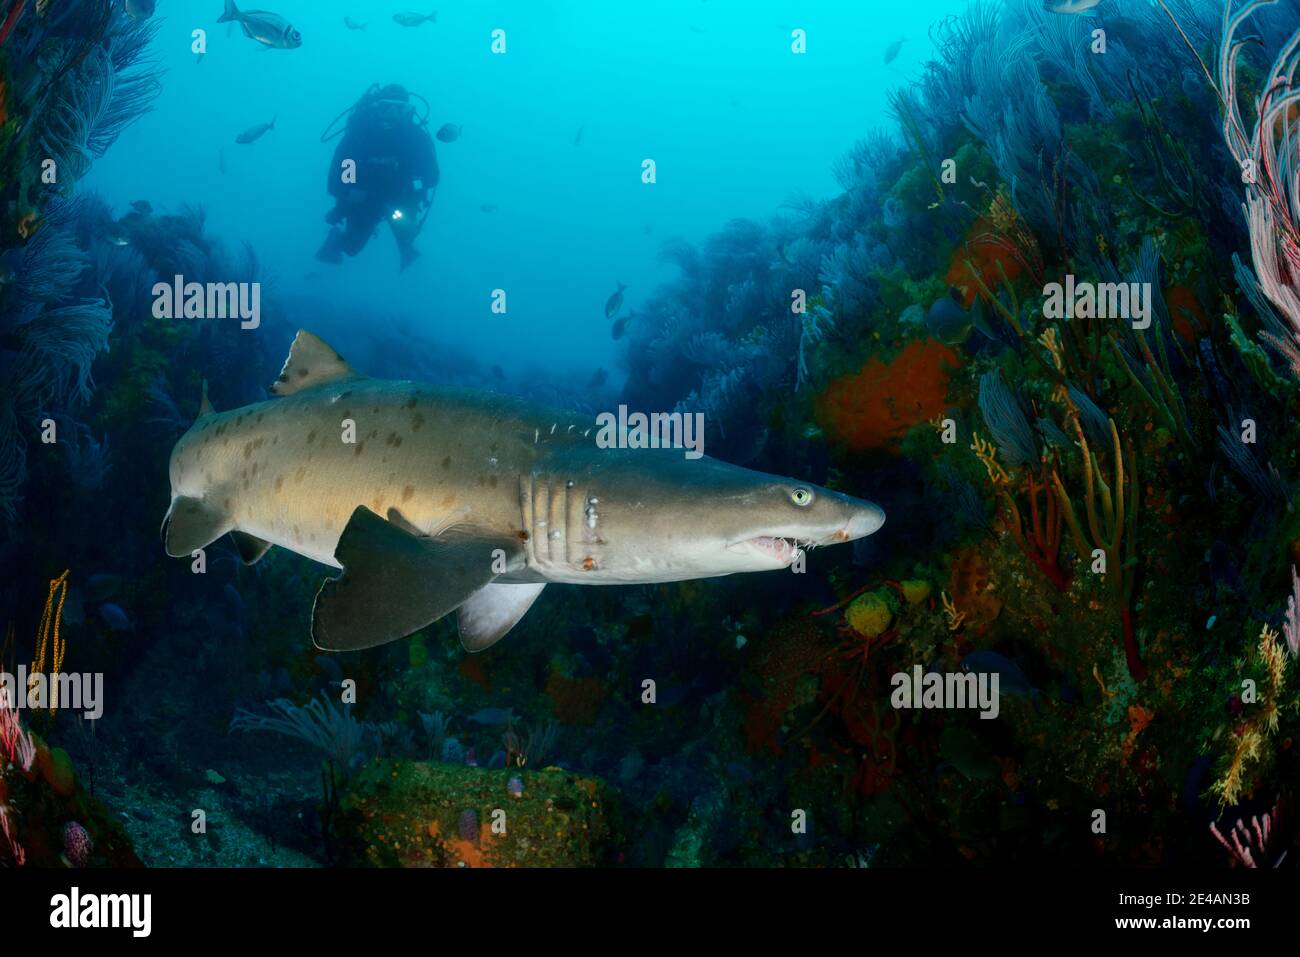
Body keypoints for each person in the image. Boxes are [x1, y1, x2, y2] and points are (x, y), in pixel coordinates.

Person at [317, 84, 438, 270]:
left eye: (399, 108)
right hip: (364, 200)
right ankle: (336, 238)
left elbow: (431, 175)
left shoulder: (415, 137)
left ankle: (406, 255)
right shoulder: (359, 135)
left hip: (400, 199)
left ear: (407, 111)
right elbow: (342, 171)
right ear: (376, 108)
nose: (391, 113)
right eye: (386, 107)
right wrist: (349, 193)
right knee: (351, 248)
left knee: (407, 240)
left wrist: (411, 184)